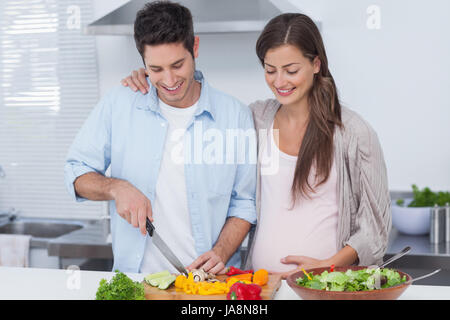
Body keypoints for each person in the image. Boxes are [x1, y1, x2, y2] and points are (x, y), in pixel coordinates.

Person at [121, 13, 392, 279]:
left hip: (323, 288)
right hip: (258, 285)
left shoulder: (354, 134)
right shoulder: (254, 120)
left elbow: (375, 230)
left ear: (317, 64)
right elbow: (194, 101)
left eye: (292, 70)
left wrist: (328, 266)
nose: (280, 81)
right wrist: (151, 77)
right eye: (270, 70)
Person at [64, 1, 257, 274]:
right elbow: (75, 173)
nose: (169, 80)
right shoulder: (120, 103)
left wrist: (221, 252)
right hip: (137, 282)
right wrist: (116, 188)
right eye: (155, 69)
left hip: (209, 288)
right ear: (143, 62)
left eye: (177, 65)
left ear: (196, 48)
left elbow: (244, 202)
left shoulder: (235, 115)